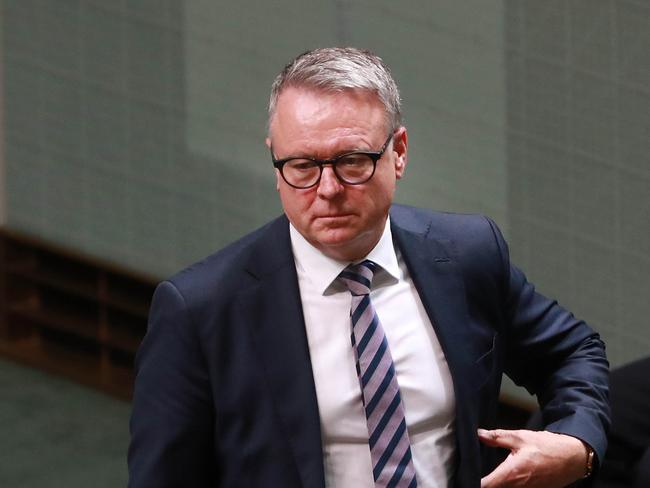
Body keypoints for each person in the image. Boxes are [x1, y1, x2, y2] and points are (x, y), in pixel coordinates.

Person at [128, 47, 609, 488]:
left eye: (352, 161)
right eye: (301, 166)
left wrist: (577, 443)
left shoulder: (467, 255)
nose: (328, 189)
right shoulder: (201, 310)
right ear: (276, 163)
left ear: (398, 153)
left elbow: (573, 352)